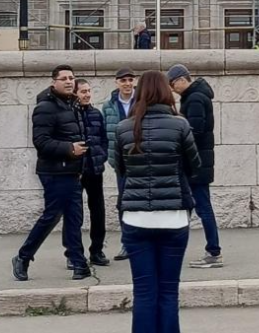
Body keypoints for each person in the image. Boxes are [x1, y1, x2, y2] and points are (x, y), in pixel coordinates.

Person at [114, 70, 202, 333]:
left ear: (139, 93)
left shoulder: (123, 128)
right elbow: (194, 166)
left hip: (135, 217)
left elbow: (120, 168)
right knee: (168, 291)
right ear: (166, 92)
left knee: (143, 292)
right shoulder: (180, 125)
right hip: (173, 217)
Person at [12, 65, 90, 282]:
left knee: (74, 217)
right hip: (55, 171)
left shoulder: (71, 105)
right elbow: (41, 142)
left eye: (72, 78)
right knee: (52, 216)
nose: (69, 81)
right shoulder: (46, 107)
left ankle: (79, 263)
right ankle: (23, 256)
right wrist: (69, 149)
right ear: (53, 82)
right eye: (64, 78)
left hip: (72, 170)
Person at [168, 63, 221, 269]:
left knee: (202, 207)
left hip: (196, 163)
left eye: (173, 84)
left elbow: (194, 131)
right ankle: (178, 249)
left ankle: (213, 251)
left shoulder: (196, 98)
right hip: (198, 161)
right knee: (190, 206)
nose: (173, 89)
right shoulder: (195, 96)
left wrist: (178, 122)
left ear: (182, 79)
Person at [75, 79, 111, 267]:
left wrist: (101, 156)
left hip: (95, 170)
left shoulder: (96, 114)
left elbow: (104, 139)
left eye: (89, 91)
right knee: (75, 214)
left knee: (98, 212)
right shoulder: (70, 115)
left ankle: (97, 251)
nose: (87, 94)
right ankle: (74, 254)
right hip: (76, 172)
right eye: (83, 91)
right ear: (75, 94)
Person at [103, 67, 137, 261]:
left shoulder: (142, 103)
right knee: (123, 203)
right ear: (117, 83)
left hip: (140, 162)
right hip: (120, 164)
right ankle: (127, 243)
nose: (127, 84)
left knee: (140, 203)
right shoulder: (108, 107)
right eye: (123, 80)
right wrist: (111, 160)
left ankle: (141, 242)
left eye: (130, 80)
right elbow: (105, 136)